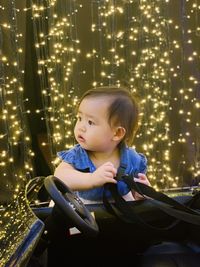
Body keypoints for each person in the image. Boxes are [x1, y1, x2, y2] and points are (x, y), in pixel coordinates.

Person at [54, 86, 150, 202]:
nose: (81, 127)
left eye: (90, 122)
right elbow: (59, 177)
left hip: (121, 212)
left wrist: (143, 193)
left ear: (117, 133)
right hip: (85, 213)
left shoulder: (132, 159)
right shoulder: (78, 155)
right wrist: (91, 179)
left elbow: (138, 194)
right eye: (79, 118)